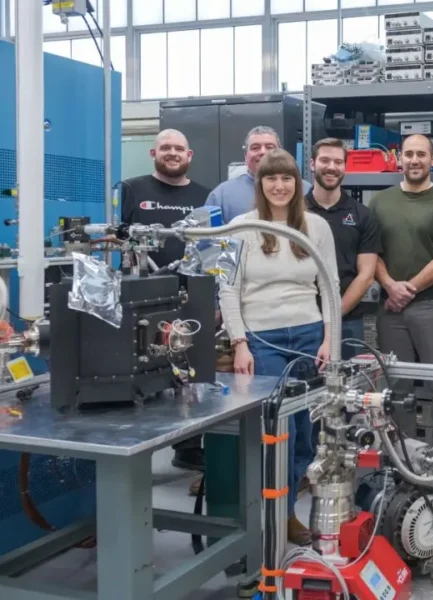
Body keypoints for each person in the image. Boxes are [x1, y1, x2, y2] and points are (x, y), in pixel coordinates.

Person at [218, 149, 338, 546]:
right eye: (271, 178)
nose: (280, 186)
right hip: (262, 340)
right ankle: (271, 514)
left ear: (297, 184)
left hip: (307, 336)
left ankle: (285, 509)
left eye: (287, 178)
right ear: (260, 183)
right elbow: (228, 288)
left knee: (304, 434)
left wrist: (329, 340)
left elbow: (329, 286)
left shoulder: (316, 227)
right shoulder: (240, 226)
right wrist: (239, 344)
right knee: (275, 433)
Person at [121, 128, 210, 473]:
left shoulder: (205, 195)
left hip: (191, 298)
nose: (172, 153)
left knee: (191, 374)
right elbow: (116, 240)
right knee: (142, 370)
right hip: (142, 301)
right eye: (165, 148)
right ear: (153, 154)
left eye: (179, 149)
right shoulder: (131, 189)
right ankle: (136, 448)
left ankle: (188, 447)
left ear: (189, 156)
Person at [371, 133, 433, 461]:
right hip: (390, 309)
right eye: (408, 154)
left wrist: (406, 290)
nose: (415, 160)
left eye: (422, 154)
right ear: (399, 159)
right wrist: (390, 286)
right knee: (396, 390)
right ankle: (404, 463)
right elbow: (372, 253)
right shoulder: (380, 202)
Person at [305, 138, 381, 359]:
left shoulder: (362, 215)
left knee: (347, 387)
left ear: (345, 167)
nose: (331, 167)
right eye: (325, 160)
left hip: (347, 320)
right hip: (302, 321)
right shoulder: (296, 213)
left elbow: (366, 275)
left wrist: (333, 316)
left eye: (338, 162)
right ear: (312, 164)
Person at [206, 126, 312, 223]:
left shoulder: (305, 190)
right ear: (245, 155)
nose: (262, 152)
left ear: (280, 153)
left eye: (269, 147)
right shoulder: (221, 196)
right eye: (255, 148)